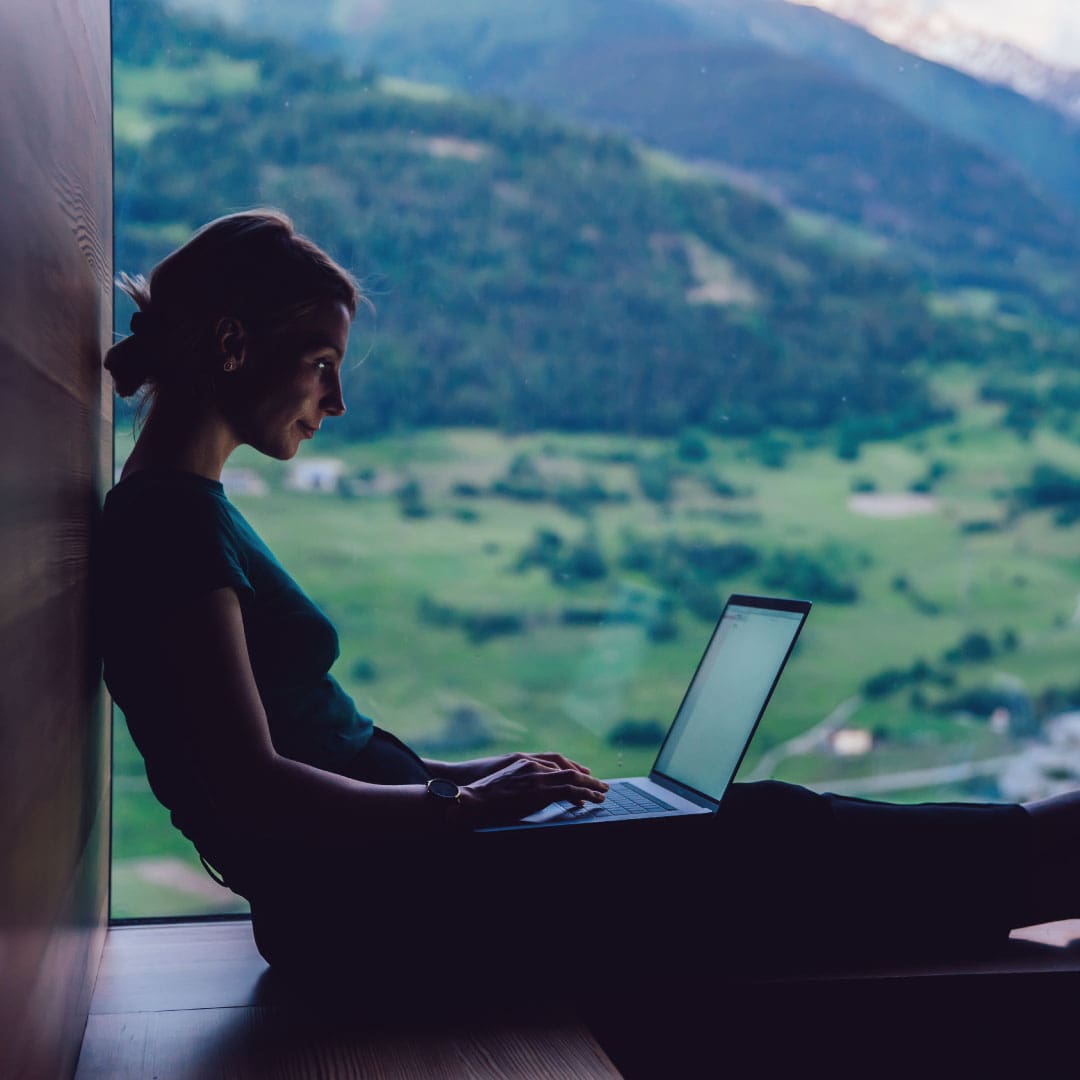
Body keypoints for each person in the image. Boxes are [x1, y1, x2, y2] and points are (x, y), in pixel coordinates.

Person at [99, 209, 1080, 1002]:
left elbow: (313, 740)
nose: (337, 398)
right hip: (376, 904)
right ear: (233, 345)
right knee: (765, 836)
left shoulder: (182, 513)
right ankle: (1039, 851)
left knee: (750, 831)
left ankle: (1036, 851)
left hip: (389, 873)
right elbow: (252, 785)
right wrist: (463, 805)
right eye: (320, 360)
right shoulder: (171, 527)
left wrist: (469, 774)